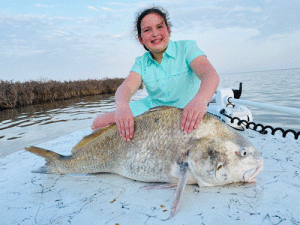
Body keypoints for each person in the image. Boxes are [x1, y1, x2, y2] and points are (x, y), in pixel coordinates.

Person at [91, 7, 219, 142]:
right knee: (99, 123)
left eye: (159, 27)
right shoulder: (141, 62)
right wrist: (122, 107)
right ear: (141, 39)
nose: (155, 33)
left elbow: (209, 74)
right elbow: (126, 87)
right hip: (152, 109)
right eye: (147, 30)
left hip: (185, 108)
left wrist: (200, 100)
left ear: (168, 30)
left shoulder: (187, 47)